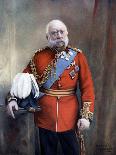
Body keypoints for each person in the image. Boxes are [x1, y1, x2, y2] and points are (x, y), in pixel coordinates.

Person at [6, 19, 95, 155]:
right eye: (54, 33)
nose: (59, 35)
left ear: (67, 33)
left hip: (70, 117)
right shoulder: (39, 56)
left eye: (61, 32)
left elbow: (87, 88)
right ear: (48, 37)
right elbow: (23, 80)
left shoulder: (78, 56)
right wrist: (12, 99)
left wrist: (86, 117)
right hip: (45, 117)